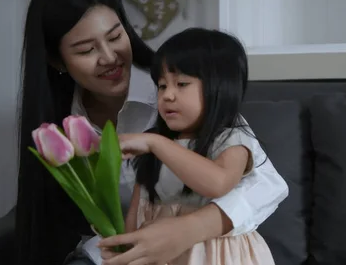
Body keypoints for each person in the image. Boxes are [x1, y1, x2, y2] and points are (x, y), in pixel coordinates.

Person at [16, 0, 289, 265]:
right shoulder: (59, 125)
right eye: (87, 50)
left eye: (116, 36)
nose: (109, 57)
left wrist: (187, 230)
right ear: (57, 61)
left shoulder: (185, 98)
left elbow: (267, 186)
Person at [99, 28, 279, 265]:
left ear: (220, 88)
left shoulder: (231, 139)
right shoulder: (154, 145)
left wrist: (157, 143)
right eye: (162, 86)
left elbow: (219, 183)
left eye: (181, 83)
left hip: (219, 258)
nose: (167, 95)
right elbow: (137, 211)